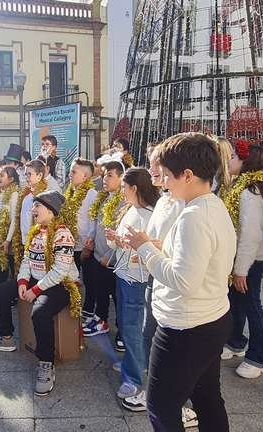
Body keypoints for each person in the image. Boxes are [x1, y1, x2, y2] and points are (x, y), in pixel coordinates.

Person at [121, 133, 236, 432]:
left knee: (161, 407)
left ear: (187, 175)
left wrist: (145, 248)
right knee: (207, 397)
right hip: (209, 318)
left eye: (167, 176)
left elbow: (183, 281)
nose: (164, 184)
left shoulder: (193, 216)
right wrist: (157, 248)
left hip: (186, 327)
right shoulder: (211, 205)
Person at [0, 190, 79, 397]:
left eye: (37, 206)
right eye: (33, 205)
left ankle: (46, 364)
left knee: (40, 313)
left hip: (60, 285)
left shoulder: (63, 234)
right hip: (37, 279)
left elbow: (60, 271)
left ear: (51, 211)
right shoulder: (36, 231)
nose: (33, 210)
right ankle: (6, 339)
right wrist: (22, 282)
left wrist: (35, 290)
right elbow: (27, 260)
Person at [142, 144, 199, 429]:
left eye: (158, 165)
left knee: (172, 349)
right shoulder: (165, 198)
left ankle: (181, 405)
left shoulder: (188, 205)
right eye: (151, 164)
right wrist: (139, 245)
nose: (153, 171)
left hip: (174, 287)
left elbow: (180, 250)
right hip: (156, 275)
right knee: (149, 335)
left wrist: (149, 248)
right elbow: (155, 237)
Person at [219, 144, 263, 380]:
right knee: (237, 302)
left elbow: (250, 234)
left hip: (250, 259)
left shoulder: (249, 192)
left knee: (251, 304)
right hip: (242, 257)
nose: (229, 160)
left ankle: (259, 355)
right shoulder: (240, 187)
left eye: (233, 156)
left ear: (245, 162)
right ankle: (235, 341)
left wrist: (241, 270)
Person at [104, 167, 160, 412]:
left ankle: (134, 380)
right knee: (130, 327)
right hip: (124, 274)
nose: (122, 192)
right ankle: (133, 364)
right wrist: (115, 239)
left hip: (136, 278)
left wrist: (129, 245)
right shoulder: (132, 210)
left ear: (134, 188)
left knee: (132, 329)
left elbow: (152, 249)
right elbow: (121, 243)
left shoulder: (150, 215)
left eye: (124, 188)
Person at [82, 160, 127, 344]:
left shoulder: (124, 201)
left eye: (110, 175)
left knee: (118, 297)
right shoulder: (104, 197)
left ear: (121, 177)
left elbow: (123, 233)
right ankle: (101, 320)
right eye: (103, 175)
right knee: (100, 291)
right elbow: (96, 222)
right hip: (99, 255)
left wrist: (110, 255)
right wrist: (91, 238)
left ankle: (123, 330)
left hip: (114, 260)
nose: (105, 179)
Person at [58, 159, 99, 271]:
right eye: (70, 171)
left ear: (84, 176)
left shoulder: (92, 195)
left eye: (73, 172)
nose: (69, 175)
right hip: (69, 245)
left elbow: (93, 223)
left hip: (83, 248)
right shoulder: (70, 192)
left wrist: (87, 248)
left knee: (85, 278)